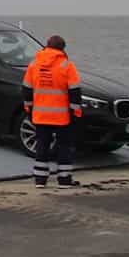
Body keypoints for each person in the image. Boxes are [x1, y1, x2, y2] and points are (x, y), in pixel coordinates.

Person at [23, 34, 83, 187]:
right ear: (62, 48)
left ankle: (40, 180)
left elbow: (27, 89)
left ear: (46, 46)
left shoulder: (34, 64)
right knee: (64, 146)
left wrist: (29, 108)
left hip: (41, 114)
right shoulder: (67, 66)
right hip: (62, 116)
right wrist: (75, 112)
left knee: (42, 145)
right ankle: (64, 180)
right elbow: (75, 92)